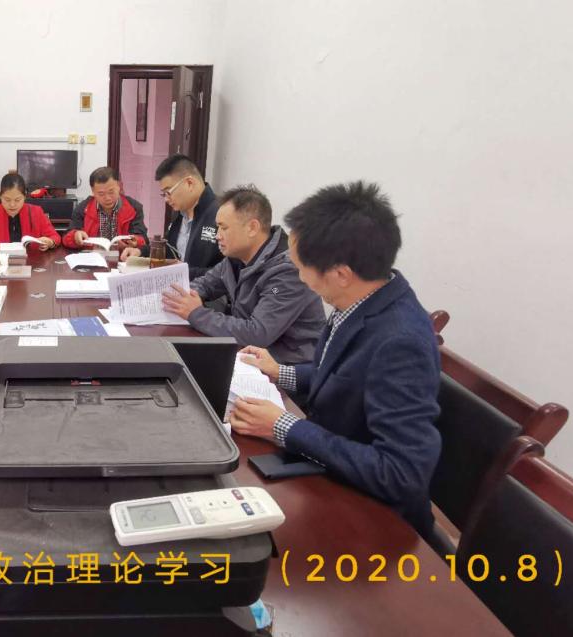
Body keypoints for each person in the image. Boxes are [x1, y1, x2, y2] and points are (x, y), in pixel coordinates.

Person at [229, 182, 441, 535]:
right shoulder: (364, 298)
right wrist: (280, 371)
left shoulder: (401, 342)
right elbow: (346, 373)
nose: (298, 276)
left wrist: (285, 426)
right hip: (330, 475)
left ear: (341, 274)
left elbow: (399, 474)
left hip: (373, 522)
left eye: (300, 267)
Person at [162, 185, 325, 364]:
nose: (217, 236)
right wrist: (185, 296)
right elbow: (206, 283)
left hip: (286, 367)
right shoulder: (236, 258)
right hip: (247, 355)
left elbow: (257, 334)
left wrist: (195, 313)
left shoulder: (288, 270)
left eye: (224, 228)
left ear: (252, 228)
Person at [156, 154, 222, 279]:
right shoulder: (179, 214)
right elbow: (168, 248)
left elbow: (229, 272)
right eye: (163, 194)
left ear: (189, 183)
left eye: (168, 192)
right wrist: (140, 252)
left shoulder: (221, 214)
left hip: (204, 290)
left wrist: (184, 271)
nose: (166, 199)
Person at [62, 166, 148, 261]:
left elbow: (143, 239)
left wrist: (135, 241)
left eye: (111, 192)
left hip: (122, 260)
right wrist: (75, 237)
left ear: (119, 186)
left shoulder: (134, 207)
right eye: (101, 194)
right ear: (93, 191)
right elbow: (66, 238)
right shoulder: (83, 208)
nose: (107, 198)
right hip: (91, 260)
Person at [0, 173, 60, 250]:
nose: (12, 205)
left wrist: (49, 242)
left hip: (32, 263)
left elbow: (55, 237)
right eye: (7, 199)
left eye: (17, 200)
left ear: (25, 196)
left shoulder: (36, 211)